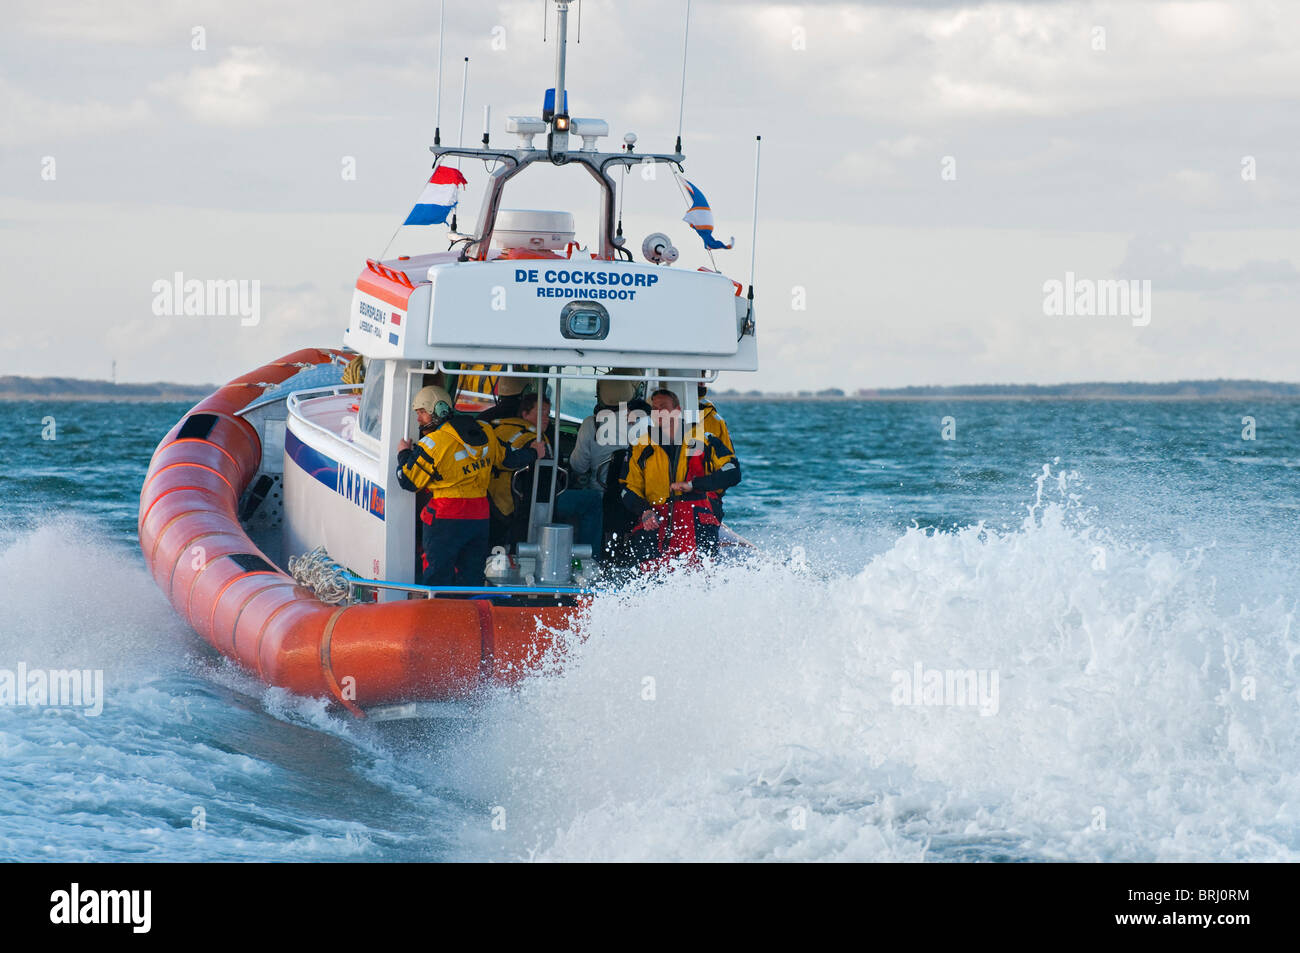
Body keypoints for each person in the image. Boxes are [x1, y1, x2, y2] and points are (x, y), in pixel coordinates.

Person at [396, 386, 546, 587]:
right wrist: (534, 452)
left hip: (445, 517)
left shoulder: (433, 444)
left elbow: (408, 481)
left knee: (437, 575)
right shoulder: (485, 432)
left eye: (421, 412)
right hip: (480, 515)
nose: (418, 419)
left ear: (438, 410)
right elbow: (509, 460)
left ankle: (437, 613)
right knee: (472, 574)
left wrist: (403, 454)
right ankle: (469, 612)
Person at [620, 388, 741, 567]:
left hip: (697, 521)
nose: (658, 412)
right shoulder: (640, 445)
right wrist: (644, 511)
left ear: (677, 410)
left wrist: (695, 485)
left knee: (701, 574)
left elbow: (732, 472)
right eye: (654, 408)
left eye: (663, 407)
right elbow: (628, 488)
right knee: (649, 571)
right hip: (656, 522)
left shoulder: (704, 440)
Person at [489, 392, 603, 550]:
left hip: (497, 500)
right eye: (540, 412)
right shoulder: (536, 441)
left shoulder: (499, 429)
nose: (545, 418)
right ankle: (591, 557)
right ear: (525, 413)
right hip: (529, 503)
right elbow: (547, 483)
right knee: (593, 500)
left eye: (548, 413)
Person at [600, 398, 653, 568]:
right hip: (639, 500)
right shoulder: (652, 437)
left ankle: (601, 555)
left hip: (618, 496)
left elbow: (578, 464)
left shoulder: (600, 428)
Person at [570, 378, 639, 492]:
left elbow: (579, 467)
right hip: (634, 499)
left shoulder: (590, 424)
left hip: (599, 494)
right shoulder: (645, 423)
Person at [697, 380, 735, 523]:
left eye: (702, 375)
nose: (701, 381)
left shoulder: (713, 418)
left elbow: (730, 465)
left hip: (709, 498)